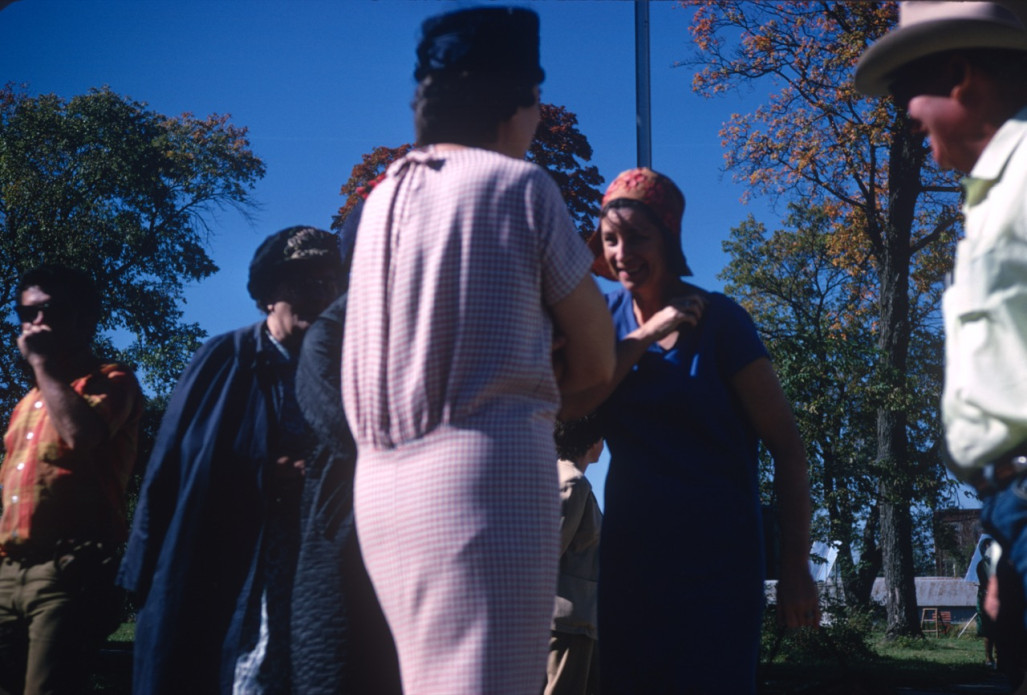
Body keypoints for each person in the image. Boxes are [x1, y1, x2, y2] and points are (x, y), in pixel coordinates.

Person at [341, 7, 615, 694]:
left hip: (380, 486)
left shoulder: (378, 204)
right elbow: (596, 357)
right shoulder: (519, 187)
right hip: (485, 483)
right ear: (515, 102)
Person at [568, 167, 819, 694]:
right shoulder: (602, 316)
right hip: (631, 560)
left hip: (717, 565)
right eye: (610, 239)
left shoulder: (722, 322)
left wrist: (796, 567)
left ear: (668, 236)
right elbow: (572, 403)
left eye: (637, 237)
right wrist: (647, 334)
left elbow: (789, 450)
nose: (621, 253)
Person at [855, 2, 1027, 690]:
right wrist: (999, 543)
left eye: (907, 98)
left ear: (959, 76)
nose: (907, 124)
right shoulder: (990, 197)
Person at [118, 226, 342, 695]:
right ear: (267, 295)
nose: (320, 295)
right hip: (230, 561)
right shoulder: (225, 359)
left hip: (316, 566)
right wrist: (141, 572)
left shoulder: (344, 368)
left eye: (329, 283)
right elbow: (172, 467)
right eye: (303, 282)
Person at [0, 265, 144, 695]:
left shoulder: (113, 380)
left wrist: (42, 366)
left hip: (70, 568)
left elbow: (82, 435)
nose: (38, 323)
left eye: (52, 311)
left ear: (86, 319)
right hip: (8, 569)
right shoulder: (26, 403)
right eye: (28, 314)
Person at [290, 202, 402, 695]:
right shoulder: (332, 331)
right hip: (342, 527)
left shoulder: (422, 321)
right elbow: (343, 430)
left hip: (406, 534)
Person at [544, 415, 603, 695]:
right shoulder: (573, 483)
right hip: (567, 623)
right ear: (593, 442)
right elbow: (548, 553)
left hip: (569, 622)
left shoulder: (553, 476)